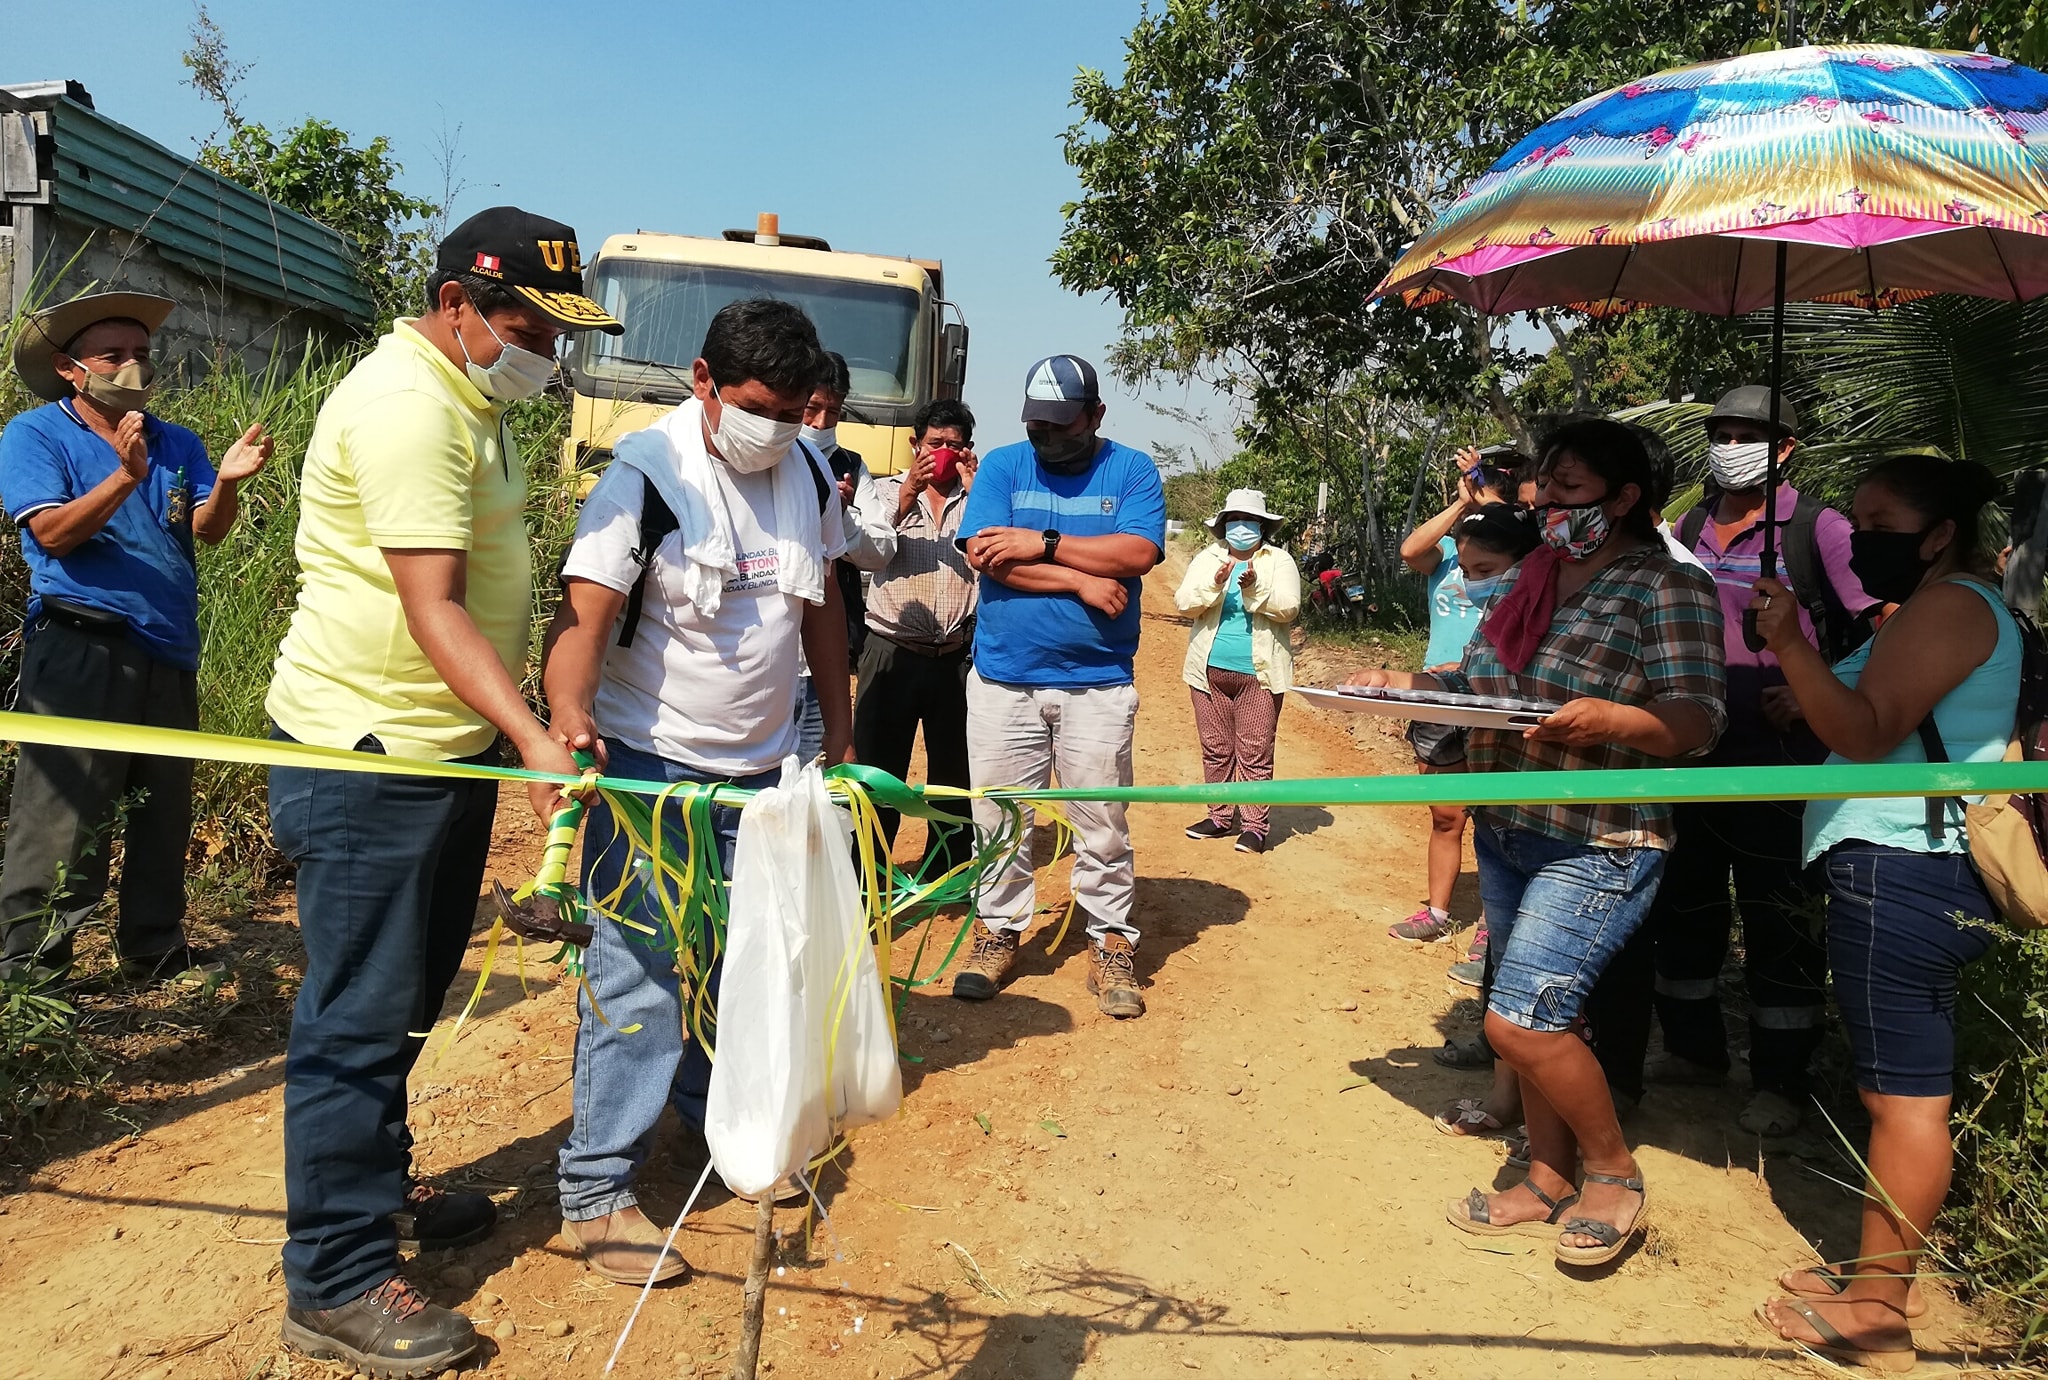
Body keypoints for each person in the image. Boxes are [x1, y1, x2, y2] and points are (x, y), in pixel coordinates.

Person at [263, 208, 616, 1375]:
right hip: (371, 756)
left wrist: (506, 728)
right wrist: (530, 736)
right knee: (356, 1017)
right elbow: (432, 608)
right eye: (526, 326)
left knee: (406, 997)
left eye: (557, 334)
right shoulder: (411, 407)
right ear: (457, 304)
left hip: (440, 746)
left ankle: (374, 1186)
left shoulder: (476, 397)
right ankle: (335, 1277)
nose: (543, 354)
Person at [1348, 418, 1726, 1267]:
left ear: (1627, 498)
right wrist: (1392, 684)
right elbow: (1480, 679)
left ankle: (1614, 1176)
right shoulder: (1536, 577)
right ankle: (1548, 1173)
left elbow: (1698, 720)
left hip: (1600, 838)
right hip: (1513, 825)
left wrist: (1613, 722)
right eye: (1543, 489)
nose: (1547, 505)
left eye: (1570, 491)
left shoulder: (1667, 588)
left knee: (1518, 1023)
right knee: (1542, 1011)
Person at [544, 298, 851, 1283]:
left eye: (795, 407)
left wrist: (836, 735)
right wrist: (569, 725)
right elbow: (582, 617)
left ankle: (712, 1125)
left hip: (760, 773)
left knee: (733, 964)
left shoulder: (806, 467)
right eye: (758, 404)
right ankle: (595, 1194)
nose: (777, 424)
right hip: (649, 768)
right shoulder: (647, 477)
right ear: (703, 381)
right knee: (638, 972)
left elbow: (822, 608)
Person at [1753, 456, 2015, 1371]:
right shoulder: (1939, 607)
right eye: (1855, 518)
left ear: (1939, 534)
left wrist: (1791, 644)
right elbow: (1868, 715)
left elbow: (1865, 733)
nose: (1860, 538)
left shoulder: (1951, 607)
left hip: (1908, 868)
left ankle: (1877, 1315)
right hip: (1899, 863)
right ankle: (1870, 1277)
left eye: (1881, 521)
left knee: (1902, 1098)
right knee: (1895, 1088)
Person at [0, 292, 271, 983]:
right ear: (69, 368)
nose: (133, 369)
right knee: (62, 812)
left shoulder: (175, 441)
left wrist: (230, 485)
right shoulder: (36, 436)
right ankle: (32, 973)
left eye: (142, 356)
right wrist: (124, 477)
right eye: (112, 357)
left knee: (162, 808)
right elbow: (53, 534)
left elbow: (206, 528)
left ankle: (153, 948)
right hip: (81, 647)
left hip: (167, 649)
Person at [1645, 388, 1878, 1138]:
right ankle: (1693, 1050)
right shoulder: (1684, 525)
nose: (1731, 444)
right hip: (1690, 757)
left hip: (1782, 763)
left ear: (1785, 450)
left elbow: (1894, 624)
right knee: (1685, 907)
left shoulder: (1821, 530)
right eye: (1722, 432)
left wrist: (1826, 689)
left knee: (1780, 921)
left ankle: (1781, 1077)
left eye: (1750, 434)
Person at [949, 355, 1165, 1018]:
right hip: (1003, 680)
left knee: (1099, 821)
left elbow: (1134, 555)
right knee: (999, 814)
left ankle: (1109, 943)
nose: (1047, 439)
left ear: (1095, 415)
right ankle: (999, 929)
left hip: (1096, 683)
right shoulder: (1005, 466)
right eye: (1037, 427)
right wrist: (1076, 575)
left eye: (1061, 427)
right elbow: (984, 557)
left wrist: (1038, 542)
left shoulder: (1131, 470)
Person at [1391, 450, 1519, 943]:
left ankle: (1493, 925)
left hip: (1494, 696)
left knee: (1497, 816)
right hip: (1438, 696)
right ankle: (1437, 913)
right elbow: (1410, 551)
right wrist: (1462, 505)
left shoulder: (1523, 554)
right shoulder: (1451, 552)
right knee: (1446, 814)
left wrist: (1487, 499)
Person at [854, 399, 980, 875]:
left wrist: (976, 488)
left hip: (958, 656)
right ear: (915, 444)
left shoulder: (981, 498)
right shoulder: (884, 494)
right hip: (892, 650)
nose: (943, 452)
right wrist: (910, 490)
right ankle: (867, 876)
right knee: (878, 771)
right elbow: (867, 550)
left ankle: (945, 872)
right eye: (935, 443)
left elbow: (990, 554)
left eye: (954, 445)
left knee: (955, 774)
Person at [1175, 488, 1301, 853]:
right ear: (1224, 525)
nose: (1242, 527)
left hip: (1259, 675)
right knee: (1215, 747)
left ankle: (1255, 827)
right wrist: (1215, 583)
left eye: (1250, 522)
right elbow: (1184, 603)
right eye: (1235, 521)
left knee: (1255, 751)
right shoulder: (1207, 558)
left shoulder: (1279, 561)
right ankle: (1218, 817)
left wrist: (1254, 589)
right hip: (1207, 671)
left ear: (1262, 527)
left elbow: (1289, 608)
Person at [793, 351, 895, 760]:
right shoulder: (770, 457)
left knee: (817, 777)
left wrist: (842, 516)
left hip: (823, 660)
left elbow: (881, 551)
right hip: (767, 656)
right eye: (811, 410)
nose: (820, 424)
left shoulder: (850, 465)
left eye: (832, 413)